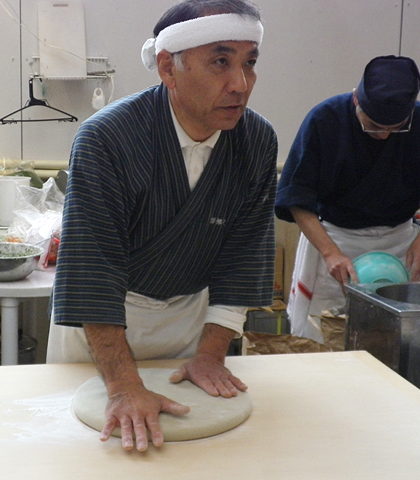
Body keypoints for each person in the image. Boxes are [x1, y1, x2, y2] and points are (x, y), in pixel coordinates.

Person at [48, 0, 277, 452]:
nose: (241, 84)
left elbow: (243, 255)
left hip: (190, 322)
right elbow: (94, 269)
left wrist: (210, 355)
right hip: (103, 324)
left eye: (249, 63)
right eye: (221, 62)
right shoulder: (107, 138)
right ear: (169, 68)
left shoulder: (257, 140)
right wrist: (122, 386)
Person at [275, 55, 420, 342]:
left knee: (394, 338)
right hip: (336, 241)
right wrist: (330, 253)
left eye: (396, 127)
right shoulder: (324, 120)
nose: (385, 135)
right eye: (374, 126)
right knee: (324, 334)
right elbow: (296, 197)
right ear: (357, 100)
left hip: (400, 245)